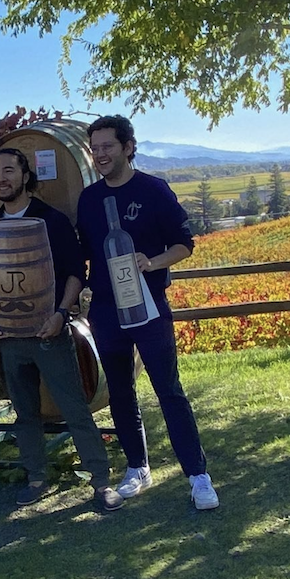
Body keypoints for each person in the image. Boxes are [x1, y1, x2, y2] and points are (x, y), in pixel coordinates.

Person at [77, 115, 219, 510]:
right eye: (95, 148)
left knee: (168, 390)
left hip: (150, 308)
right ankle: (137, 468)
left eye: (107, 146)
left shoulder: (154, 190)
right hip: (107, 311)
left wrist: (151, 263)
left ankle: (198, 476)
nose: (100, 154)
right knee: (120, 391)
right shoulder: (88, 199)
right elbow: (84, 253)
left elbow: (184, 245)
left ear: (127, 147)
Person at [0, 147, 123, 512]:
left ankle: (100, 481)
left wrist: (60, 313)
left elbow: (75, 272)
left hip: (49, 332)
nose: (1, 179)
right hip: (9, 339)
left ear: (25, 176)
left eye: (9, 170)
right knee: (24, 412)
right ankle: (36, 477)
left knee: (74, 408)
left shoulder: (51, 220)